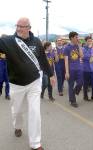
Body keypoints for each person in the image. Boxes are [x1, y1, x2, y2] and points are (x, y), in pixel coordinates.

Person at [0, 17, 55, 150]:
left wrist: (51, 74)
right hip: (16, 84)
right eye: (17, 25)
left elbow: (42, 59)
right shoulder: (7, 41)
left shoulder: (36, 41)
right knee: (17, 111)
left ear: (29, 28)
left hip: (34, 82)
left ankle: (35, 143)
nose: (18, 28)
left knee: (35, 111)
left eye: (22, 26)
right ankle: (17, 126)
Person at [64, 31, 83, 108]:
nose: (77, 38)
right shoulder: (67, 48)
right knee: (71, 85)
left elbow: (81, 56)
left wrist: (79, 46)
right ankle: (73, 101)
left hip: (78, 68)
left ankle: (74, 92)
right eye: (76, 37)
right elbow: (66, 61)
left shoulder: (77, 46)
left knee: (81, 82)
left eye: (77, 37)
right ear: (72, 38)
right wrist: (67, 72)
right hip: (71, 69)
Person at [82, 36, 93, 101]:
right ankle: (85, 96)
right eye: (88, 41)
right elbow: (84, 57)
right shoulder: (83, 49)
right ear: (85, 42)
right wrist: (91, 54)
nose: (90, 42)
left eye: (91, 41)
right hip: (85, 68)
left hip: (92, 69)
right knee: (85, 84)